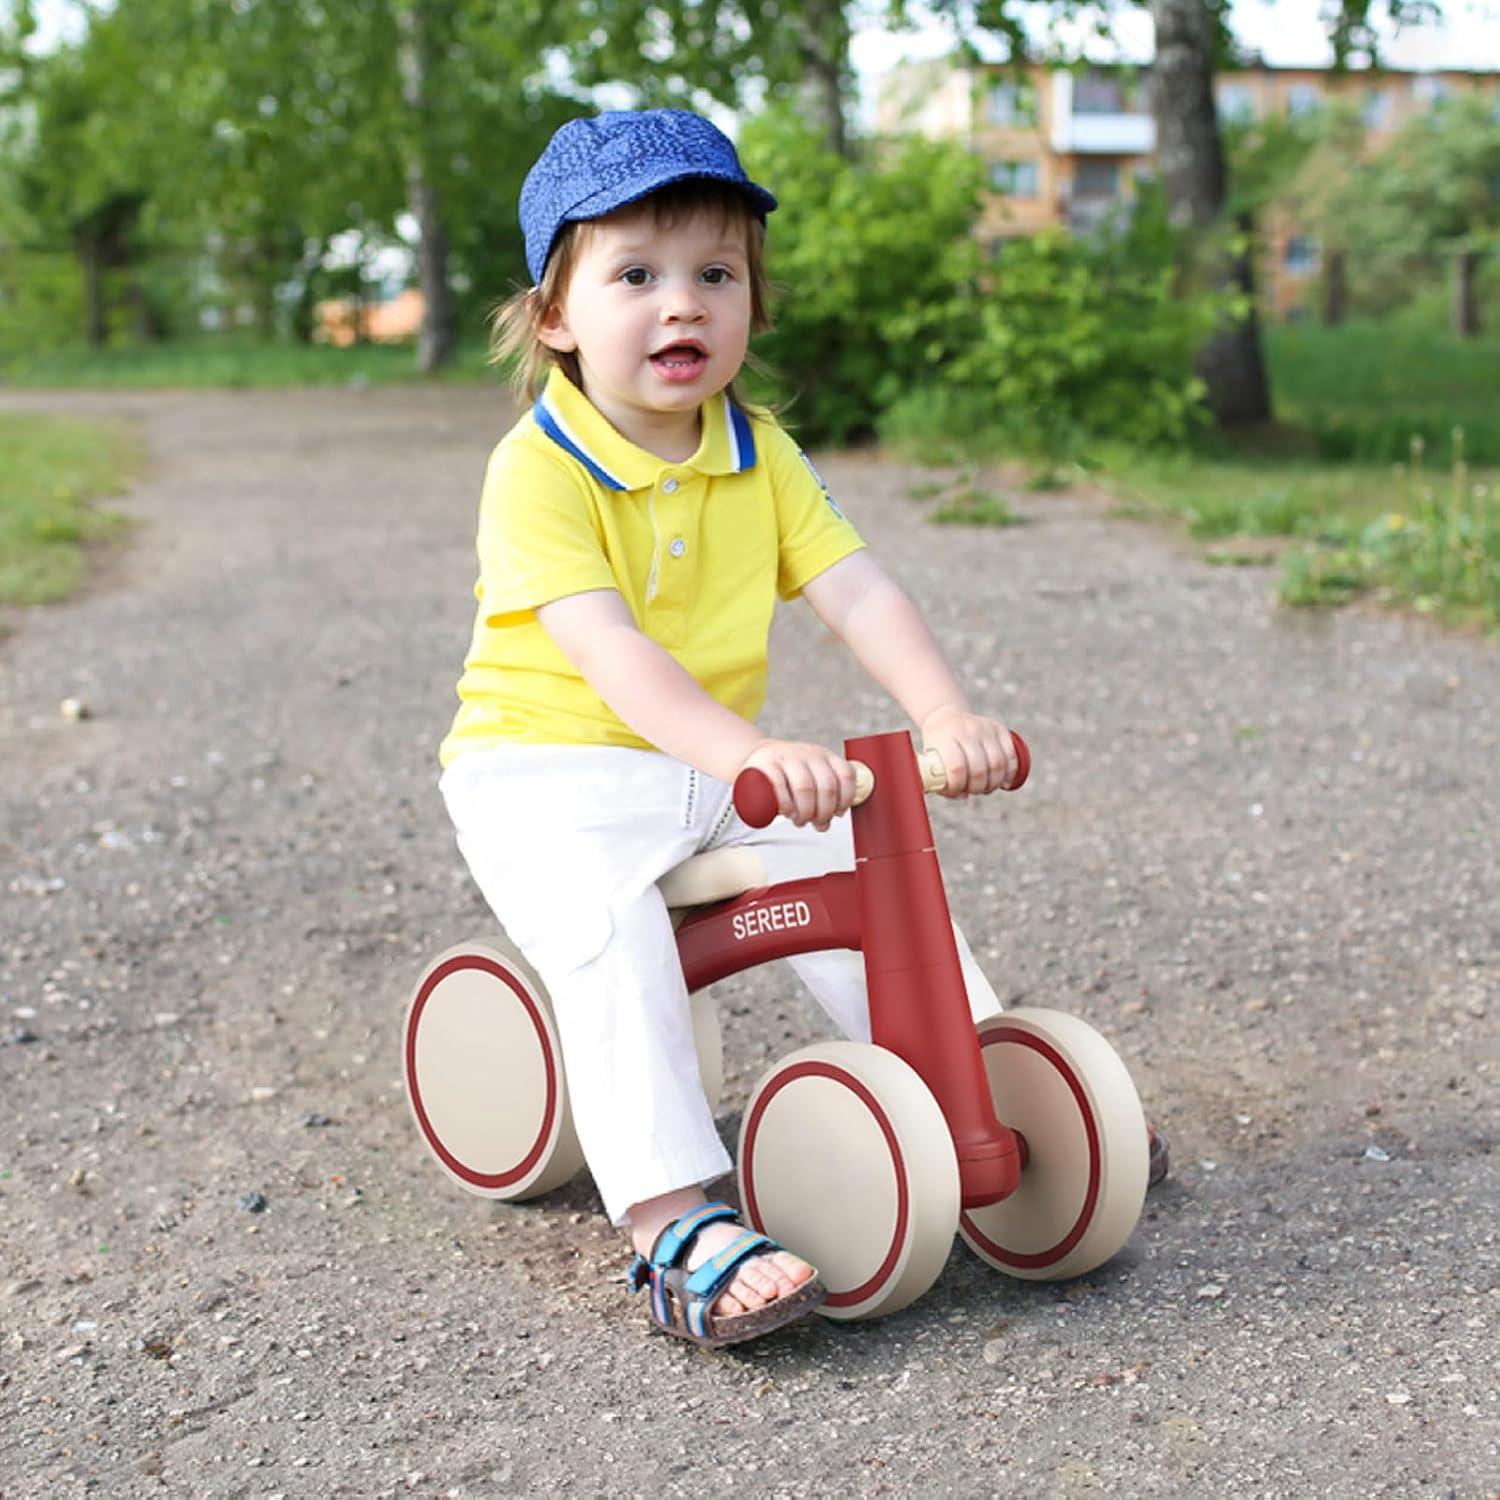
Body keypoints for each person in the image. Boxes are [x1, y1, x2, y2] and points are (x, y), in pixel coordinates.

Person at [438, 108, 1021, 1349]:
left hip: (695, 764)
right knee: (610, 931)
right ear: (555, 316)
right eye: (636, 276)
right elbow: (613, 654)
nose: (682, 306)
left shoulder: (764, 455)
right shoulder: (537, 468)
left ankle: (968, 1078)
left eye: (717, 274)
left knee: (849, 853)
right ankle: (667, 1220)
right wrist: (748, 754)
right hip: (543, 775)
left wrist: (943, 711)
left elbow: (856, 588)